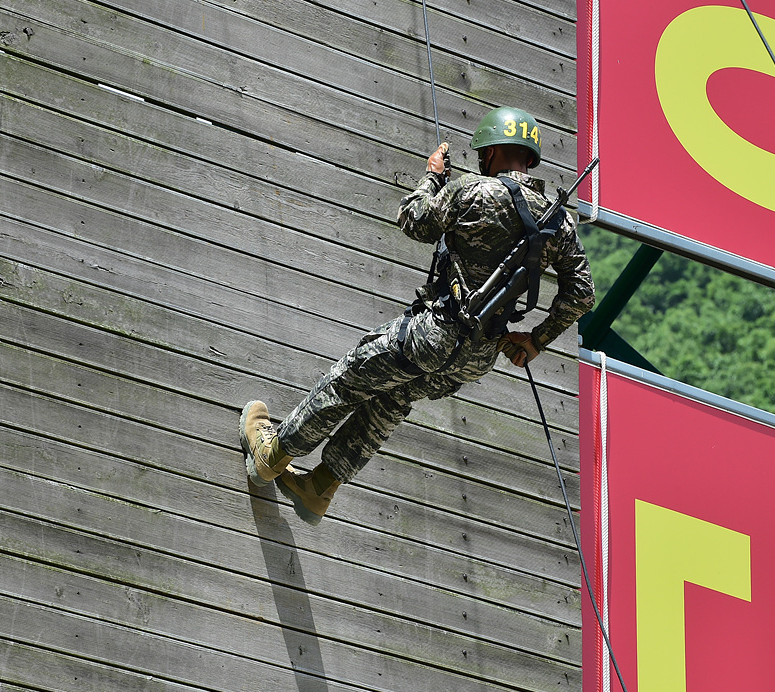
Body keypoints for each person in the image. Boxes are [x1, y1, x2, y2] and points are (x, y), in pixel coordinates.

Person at [240, 106, 594, 525]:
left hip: (434, 330)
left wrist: (431, 177)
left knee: (351, 378)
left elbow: (413, 219)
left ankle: (273, 454)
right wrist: (535, 340)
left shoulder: (473, 191)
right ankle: (319, 488)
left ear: (495, 150)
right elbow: (582, 294)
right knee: (393, 398)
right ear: (530, 157)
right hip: (476, 358)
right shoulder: (558, 222)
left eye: (484, 152)